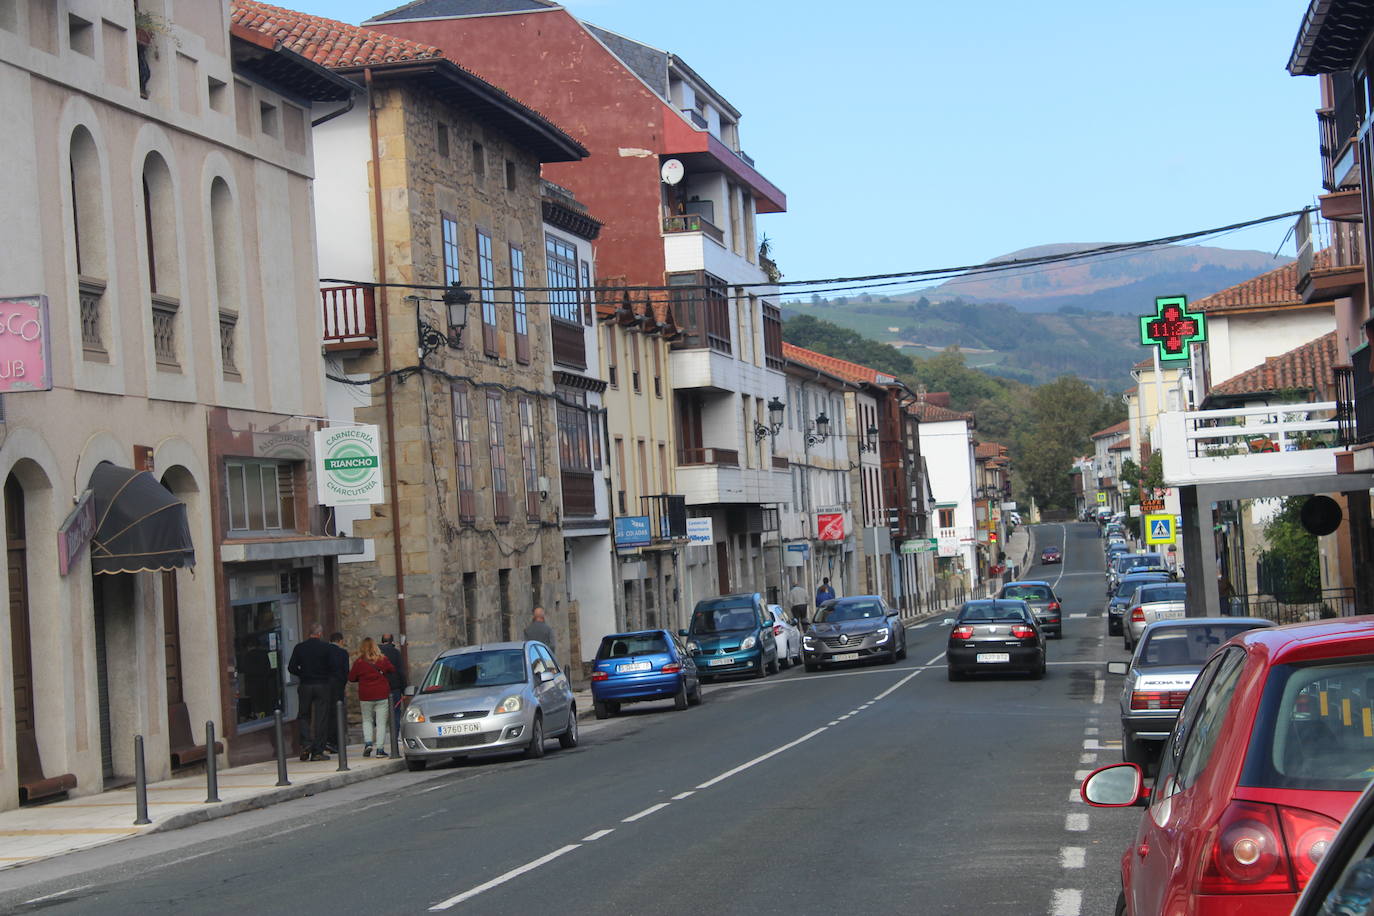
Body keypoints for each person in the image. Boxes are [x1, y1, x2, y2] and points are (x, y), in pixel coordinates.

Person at [286, 623, 333, 761]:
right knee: (321, 717)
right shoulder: (326, 648)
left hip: (306, 684)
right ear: (319, 634)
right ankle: (318, 751)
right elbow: (332, 666)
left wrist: (303, 673)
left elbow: (291, 667)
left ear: (309, 633)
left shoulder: (300, 648)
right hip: (322, 684)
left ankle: (306, 744)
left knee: (303, 715)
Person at [348, 638, 396, 758]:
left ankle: (368, 743)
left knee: (367, 720)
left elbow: (351, 677)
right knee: (381, 723)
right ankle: (380, 749)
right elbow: (392, 669)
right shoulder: (382, 659)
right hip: (381, 694)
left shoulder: (359, 662)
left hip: (366, 695)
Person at [379, 633, 406, 747]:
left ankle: (380, 739)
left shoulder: (377, 653)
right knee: (395, 712)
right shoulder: (396, 653)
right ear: (392, 641)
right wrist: (404, 689)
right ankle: (394, 737)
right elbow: (400, 671)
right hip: (394, 687)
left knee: (381, 713)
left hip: (380, 687)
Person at [326, 632, 349, 752]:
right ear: (340, 641)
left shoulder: (324, 651)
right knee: (337, 714)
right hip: (338, 687)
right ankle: (335, 742)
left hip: (325, 686)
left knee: (326, 713)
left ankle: (327, 740)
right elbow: (346, 672)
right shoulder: (343, 653)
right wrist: (343, 686)